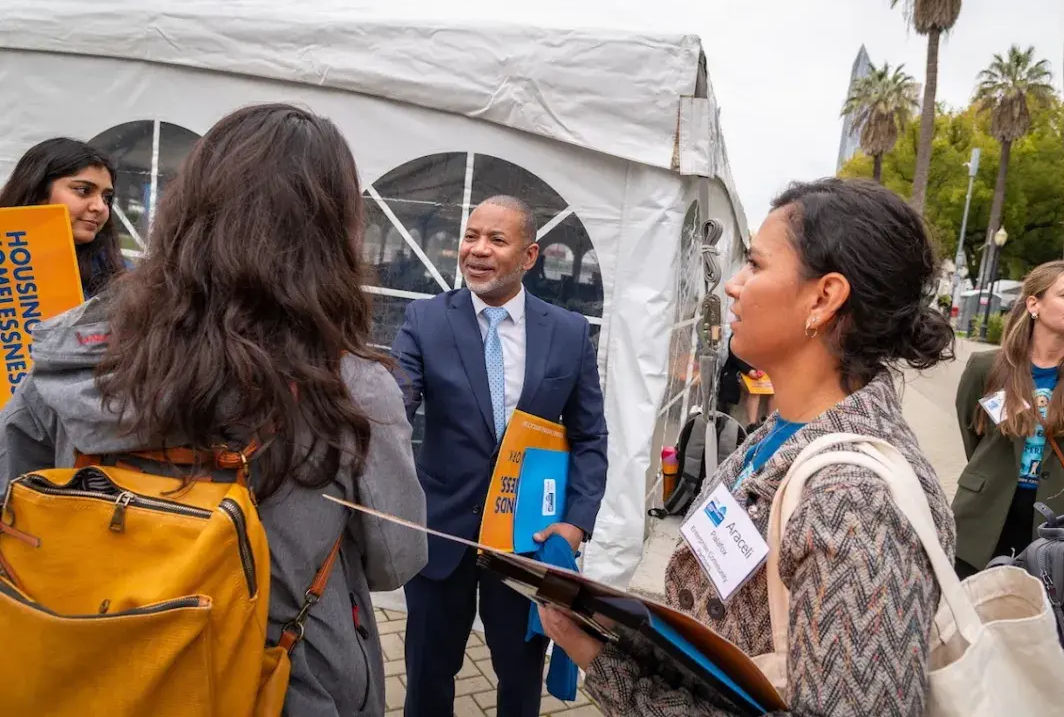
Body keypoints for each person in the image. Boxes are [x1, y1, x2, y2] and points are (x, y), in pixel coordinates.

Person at [0, 104, 428, 715]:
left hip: (90, 669)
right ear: (333, 230)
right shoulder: (352, 387)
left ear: (187, 207)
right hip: (282, 682)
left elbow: (12, 500)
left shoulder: (73, 352)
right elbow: (396, 560)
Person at [539, 177, 958, 716]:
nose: (733, 286)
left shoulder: (857, 503)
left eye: (757, 266)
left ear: (824, 297)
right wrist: (601, 631)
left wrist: (602, 664)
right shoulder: (778, 433)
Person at [392, 194, 608, 717]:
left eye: (496, 239)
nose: (477, 250)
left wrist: (576, 523)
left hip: (526, 539)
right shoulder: (424, 321)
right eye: (470, 237)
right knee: (426, 676)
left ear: (530, 257)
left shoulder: (569, 333)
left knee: (519, 677)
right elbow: (393, 411)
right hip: (441, 535)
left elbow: (590, 437)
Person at [952, 261, 1064, 577]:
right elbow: (974, 434)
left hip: (1062, 522)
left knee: (1041, 622)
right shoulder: (987, 367)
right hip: (985, 513)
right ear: (1034, 303)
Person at [0, 138, 126, 298]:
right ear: (38, 192)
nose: (100, 207)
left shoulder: (121, 278)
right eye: (83, 190)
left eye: (106, 197)